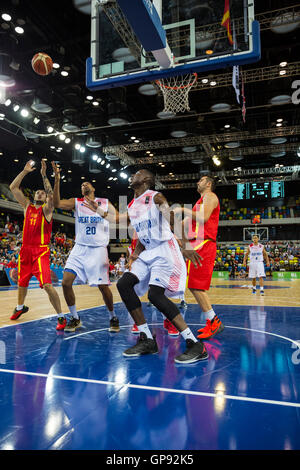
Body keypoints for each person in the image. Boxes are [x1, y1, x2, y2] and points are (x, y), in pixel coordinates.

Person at [83, 169, 208, 364]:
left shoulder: (155, 197)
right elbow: (118, 221)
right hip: (148, 251)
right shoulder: (133, 205)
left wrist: (186, 245)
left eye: (138, 173)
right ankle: (147, 339)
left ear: (147, 180)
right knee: (123, 285)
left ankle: (195, 344)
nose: (133, 175)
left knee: (155, 296)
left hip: (165, 250)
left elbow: (172, 219)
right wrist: (96, 209)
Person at [52, 162, 119, 332]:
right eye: (82, 185)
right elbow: (58, 203)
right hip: (80, 248)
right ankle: (75, 318)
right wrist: (57, 180)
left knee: (103, 287)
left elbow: (117, 219)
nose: (84, 185)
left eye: (87, 183)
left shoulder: (104, 202)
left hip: (98, 249)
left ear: (93, 188)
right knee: (66, 283)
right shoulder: (77, 203)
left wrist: (100, 212)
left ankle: (113, 317)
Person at [9, 160, 65, 329]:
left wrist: (43, 175)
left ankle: (61, 316)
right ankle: (20, 307)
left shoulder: (47, 210)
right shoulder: (27, 206)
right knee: (22, 282)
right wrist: (25, 171)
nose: (40, 193)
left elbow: (51, 194)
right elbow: (13, 188)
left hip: (40, 251)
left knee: (47, 285)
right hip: (25, 250)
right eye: (37, 192)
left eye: (43, 193)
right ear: (33, 196)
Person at [174, 175, 224, 340]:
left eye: (201, 180)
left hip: (205, 243)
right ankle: (212, 320)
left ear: (209, 184)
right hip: (195, 244)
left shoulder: (210, 196)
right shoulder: (199, 202)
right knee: (194, 286)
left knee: (196, 286)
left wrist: (182, 210)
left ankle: (214, 321)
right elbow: (182, 225)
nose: (197, 182)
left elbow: (203, 218)